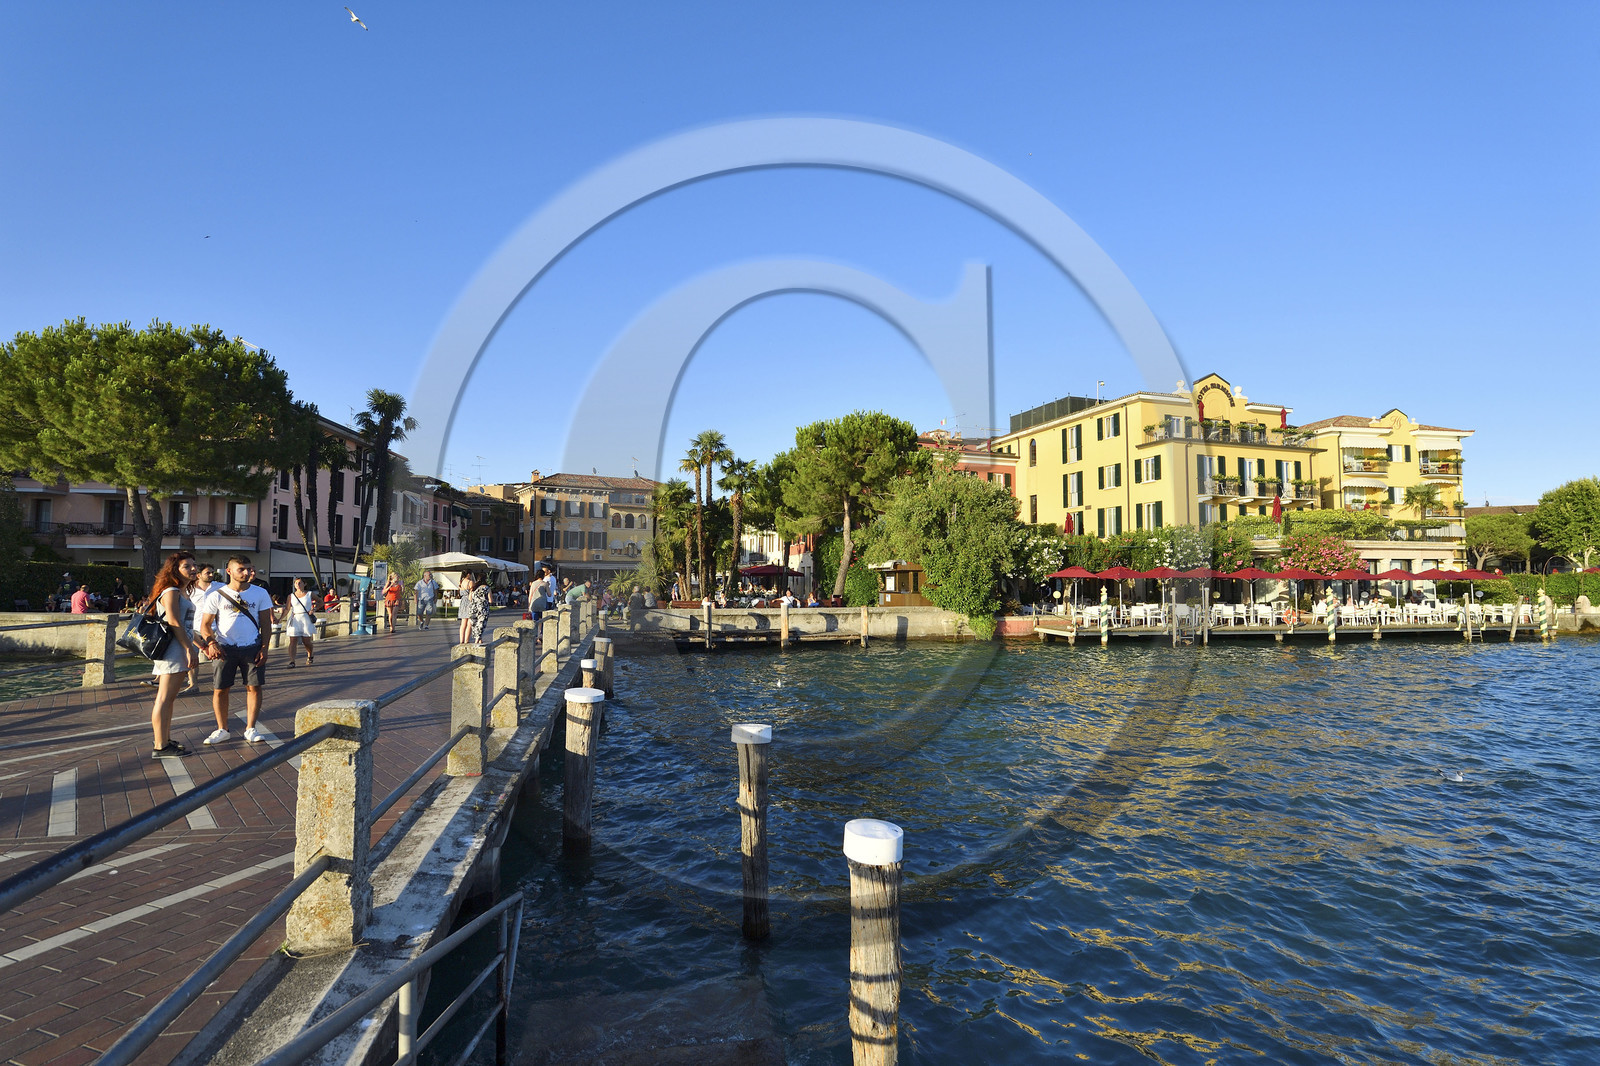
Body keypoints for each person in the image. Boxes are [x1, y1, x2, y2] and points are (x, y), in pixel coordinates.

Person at [196, 555, 274, 745]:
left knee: (254, 687)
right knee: (220, 689)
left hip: (252, 646)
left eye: (249, 568)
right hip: (224, 648)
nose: (247, 573)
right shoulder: (216, 594)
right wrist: (211, 643)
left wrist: (264, 648)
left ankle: (251, 728)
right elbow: (205, 625)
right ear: (229, 571)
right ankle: (222, 729)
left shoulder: (260, 593)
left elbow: (266, 624)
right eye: (241, 569)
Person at [145, 551, 201, 759]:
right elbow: (174, 622)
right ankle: (160, 745)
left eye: (194, 565)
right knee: (164, 698)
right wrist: (188, 648)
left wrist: (200, 644)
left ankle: (165, 740)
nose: (193, 569)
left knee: (169, 699)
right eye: (187, 566)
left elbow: (185, 626)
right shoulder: (170, 591)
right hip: (173, 649)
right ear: (174, 570)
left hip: (179, 646)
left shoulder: (181, 592)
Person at [283, 577, 318, 666]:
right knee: (293, 640)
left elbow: (320, 602)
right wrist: (280, 619)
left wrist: (314, 609)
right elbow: (287, 608)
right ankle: (292, 661)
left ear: (304, 584)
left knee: (306, 641)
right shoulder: (291, 596)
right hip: (295, 618)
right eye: (296, 583)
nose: (297, 585)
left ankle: (310, 654)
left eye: (300, 583)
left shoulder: (309, 594)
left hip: (305, 618)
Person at [458, 571, 490, 645]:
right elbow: (471, 595)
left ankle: (461, 640)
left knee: (463, 624)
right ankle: (466, 640)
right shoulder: (470, 582)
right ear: (468, 574)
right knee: (469, 623)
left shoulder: (461, 582)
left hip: (463, 602)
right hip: (470, 602)